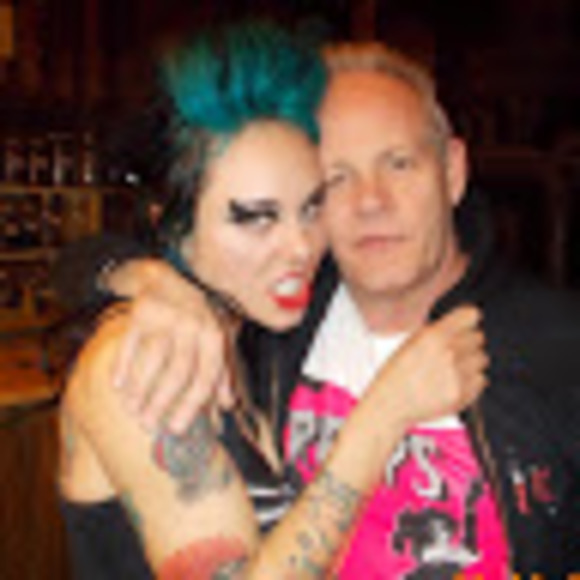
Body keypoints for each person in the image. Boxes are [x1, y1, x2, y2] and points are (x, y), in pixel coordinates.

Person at [55, 35, 580, 578]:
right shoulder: (151, 363)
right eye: (335, 180)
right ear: (171, 227)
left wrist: (130, 274)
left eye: (309, 207)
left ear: (452, 170)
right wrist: (384, 415)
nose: (300, 247)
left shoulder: (557, 342)